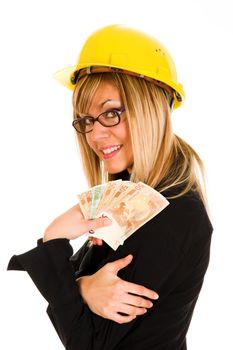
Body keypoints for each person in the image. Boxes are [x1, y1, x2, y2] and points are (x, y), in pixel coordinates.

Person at [7, 24, 213, 349]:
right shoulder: (134, 191)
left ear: (151, 110)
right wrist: (85, 287)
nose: (95, 135)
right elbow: (75, 283)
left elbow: (88, 343)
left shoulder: (167, 214)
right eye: (86, 120)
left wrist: (54, 237)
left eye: (112, 113)